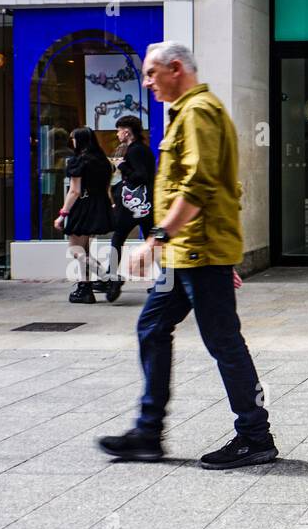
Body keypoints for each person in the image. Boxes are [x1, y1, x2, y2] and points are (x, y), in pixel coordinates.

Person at [97, 41, 276, 470]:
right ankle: (147, 433)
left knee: (223, 342)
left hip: (198, 252)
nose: (147, 83)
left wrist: (156, 238)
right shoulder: (189, 113)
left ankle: (255, 436)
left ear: (175, 68)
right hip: (189, 254)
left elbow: (200, 186)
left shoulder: (198, 113)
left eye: (151, 74)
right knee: (152, 327)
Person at [54, 127, 115, 304]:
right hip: (98, 205)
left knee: (75, 250)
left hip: (82, 206)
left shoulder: (78, 161)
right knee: (85, 249)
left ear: (79, 141)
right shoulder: (103, 161)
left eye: (73, 139)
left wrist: (62, 214)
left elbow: (74, 191)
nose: (72, 142)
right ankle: (84, 288)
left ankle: (109, 277)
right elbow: (106, 187)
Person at [100, 114, 156, 302]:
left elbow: (141, 175)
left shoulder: (135, 151)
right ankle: (163, 279)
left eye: (118, 130)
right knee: (152, 241)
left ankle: (113, 276)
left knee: (118, 238)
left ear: (126, 131)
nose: (117, 134)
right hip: (144, 203)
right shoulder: (142, 149)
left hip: (134, 204)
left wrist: (123, 166)